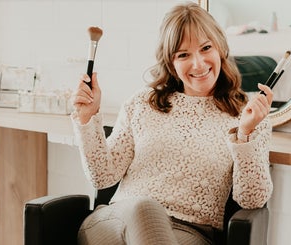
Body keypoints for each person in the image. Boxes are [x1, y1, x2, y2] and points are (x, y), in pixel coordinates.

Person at [70, 1, 273, 244]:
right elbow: (102, 176)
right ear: (171, 63)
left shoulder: (247, 116)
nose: (198, 63)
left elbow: (252, 200)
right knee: (145, 208)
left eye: (206, 48)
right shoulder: (143, 103)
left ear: (220, 48)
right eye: (184, 54)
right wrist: (87, 118)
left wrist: (246, 135)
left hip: (190, 234)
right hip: (116, 223)